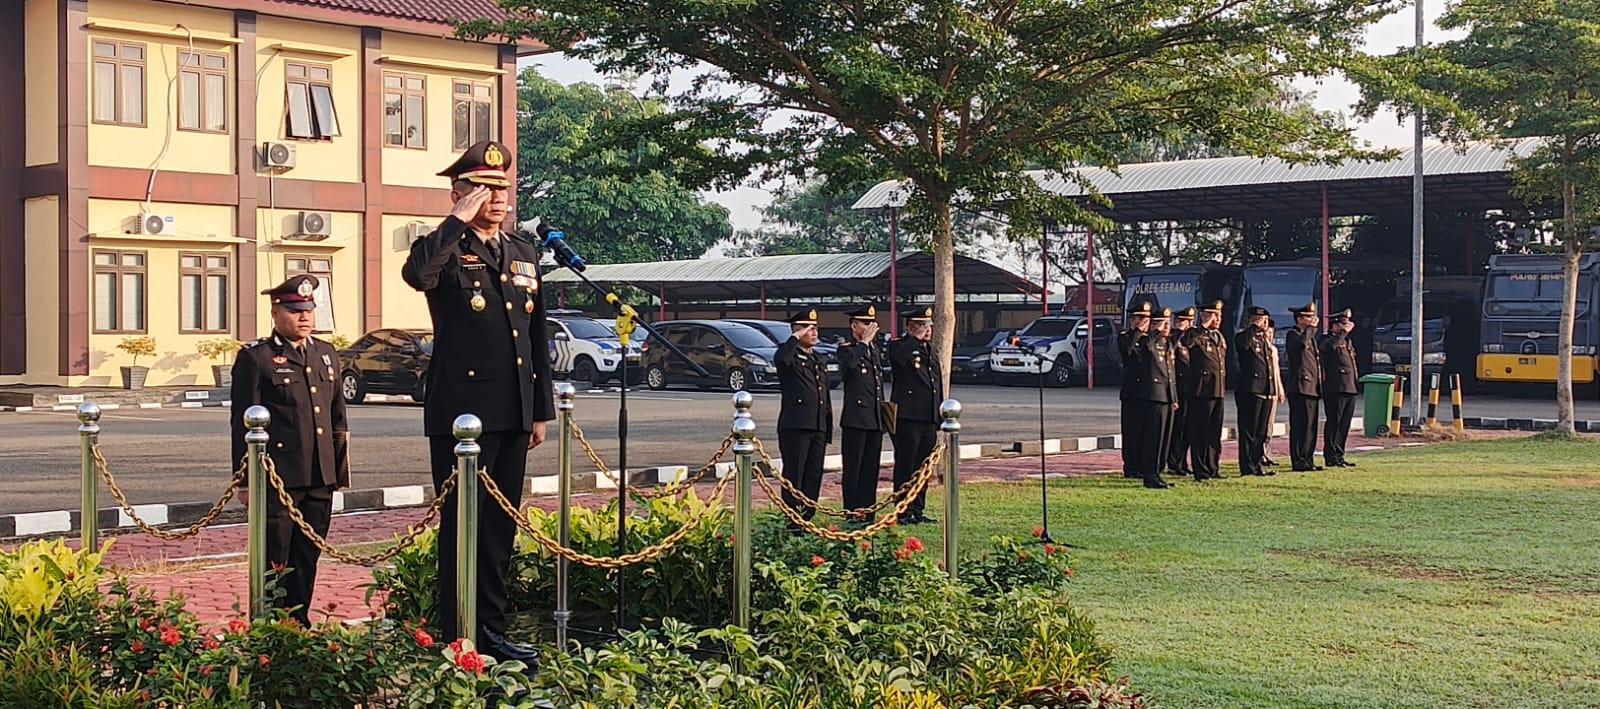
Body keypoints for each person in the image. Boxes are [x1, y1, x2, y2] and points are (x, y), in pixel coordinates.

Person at [400, 139, 552, 662]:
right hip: (461, 413)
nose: (497, 197)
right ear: (458, 193)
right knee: (462, 525)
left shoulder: (522, 253)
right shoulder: (442, 248)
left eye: (502, 188)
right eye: (483, 188)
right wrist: (454, 223)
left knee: (499, 527)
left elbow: (536, 339)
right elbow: (418, 276)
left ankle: (490, 631)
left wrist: (540, 411)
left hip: (512, 410)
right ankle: (457, 632)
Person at [230, 274, 349, 626]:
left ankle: (298, 623)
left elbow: (337, 419)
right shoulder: (258, 358)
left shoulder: (326, 355)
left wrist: (338, 474)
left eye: (309, 310)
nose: (304, 317)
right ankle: (267, 625)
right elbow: (243, 425)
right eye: (295, 310)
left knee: (307, 555)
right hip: (278, 479)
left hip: (319, 477)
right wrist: (246, 481)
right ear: (276, 312)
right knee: (274, 558)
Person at [775, 309, 834, 527]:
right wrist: (794, 337)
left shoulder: (818, 358)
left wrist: (826, 425)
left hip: (817, 424)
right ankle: (793, 518)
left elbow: (824, 394)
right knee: (795, 472)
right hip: (796, 425)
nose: (815, 333)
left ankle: (808, 515)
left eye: (816, 328)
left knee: (813, 473)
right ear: (798, 331)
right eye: (809, 329)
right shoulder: (789, 354)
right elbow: (781, 358)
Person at [888, 306, 942, 523]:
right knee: (906, 465)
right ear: (910, 327)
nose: (927, 330)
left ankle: (918, 509)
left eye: (929, 326)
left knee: (923, 466)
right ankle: (903, 509)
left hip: (927, 417)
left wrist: (938, 415)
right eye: (922, 326)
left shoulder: (930, 349)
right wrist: (913, 340)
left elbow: (936, 385)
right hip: (908, 417)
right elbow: (898, 361)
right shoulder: (899, 346)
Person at [836, 305, 886, 521]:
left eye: (871, 323)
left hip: (874, 418)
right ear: (854, 325)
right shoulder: (847, 349)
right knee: (854, 469)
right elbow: (849, 366)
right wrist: (863, 343)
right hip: (856, 418)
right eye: (865, 323)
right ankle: (852, 511)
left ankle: (868, 511)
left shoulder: (874, 349)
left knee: (870, 468)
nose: (870, 327)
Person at [1122, 304, 1178, 489]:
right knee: (1147, 437)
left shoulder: (1163, 342)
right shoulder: (1142, 340)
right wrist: (1144, 331)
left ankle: (1157, 471)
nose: (1166, 327)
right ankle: (1147, 473)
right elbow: (1131, 351)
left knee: (1162, 438)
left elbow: (1169, 372)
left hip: (1163, 395)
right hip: (1146, 395)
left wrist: (1174, 397)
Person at [1180, 301, 1227, 481]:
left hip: (1217, 390)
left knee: (1213, 433)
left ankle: (1213, 467)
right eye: (1215, 316)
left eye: (1219, 316)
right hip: (1201, 391)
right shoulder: (1196, 334)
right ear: (1206, 316)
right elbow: (1186, 342)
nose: (1218, 319)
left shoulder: (1218, 337)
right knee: (1200, 432)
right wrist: (1203, 325)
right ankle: (1201, 470)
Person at [1234, 306, 1277, 477]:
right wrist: (1254, 326)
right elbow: (1243, 345)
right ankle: (1247, 466)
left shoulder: (1263, 340)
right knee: (1248, 431)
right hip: (1250, 390)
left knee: (1261, 431)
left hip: (1265, 389)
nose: (1265, 324)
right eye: (1262, 320)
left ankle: (1257, 463)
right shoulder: (1244, 336)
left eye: (1266, 320)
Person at [1285, 303, 1324, 471]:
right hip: (1300, 386)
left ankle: (1308, 459)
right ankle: (1299, 460)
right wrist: (1310, 330)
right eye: (1308, 317)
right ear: (1300, 319)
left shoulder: (1311, 337)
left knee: (1311, 427)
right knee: (1300, 425)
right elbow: (1300, 346)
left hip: (1312, 387)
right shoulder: (1293, 335)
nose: (1312, 320)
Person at [1320, 308, 1360, 467]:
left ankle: (1339, 454)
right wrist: (1342, 334)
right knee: (1334, 423)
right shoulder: (1327, 339)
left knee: (1344, 424)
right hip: (1335, 387)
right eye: (1343, 324)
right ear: (1334, 326)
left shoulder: (1346, 341)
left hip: (1349, 387)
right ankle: (1330, 456)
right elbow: (1329, 348)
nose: (1346, 327)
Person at [1117, 303, 1153, 479]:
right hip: (1132, 392)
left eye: (1145, 319)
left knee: (1146, 432)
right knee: (1131, 432)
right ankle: (1131, 467)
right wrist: (1137, 331)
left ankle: (1143, 465)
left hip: (1148, 392)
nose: (1143, 323)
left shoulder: (1150, 339)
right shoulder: (1125, 337)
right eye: (1138, 319)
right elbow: (1129, 352)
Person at [1167, 306, 1196, 478]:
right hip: (1178, 388)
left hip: (1191, 389)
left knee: (1188, 429)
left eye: (1189, 321)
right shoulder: (1173, 338)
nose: (1186, 324)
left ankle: (1183, 462)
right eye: (1183, 321)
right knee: (1176, 429)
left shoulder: (1191, 338)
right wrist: (1178, 332)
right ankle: (1173, 462)